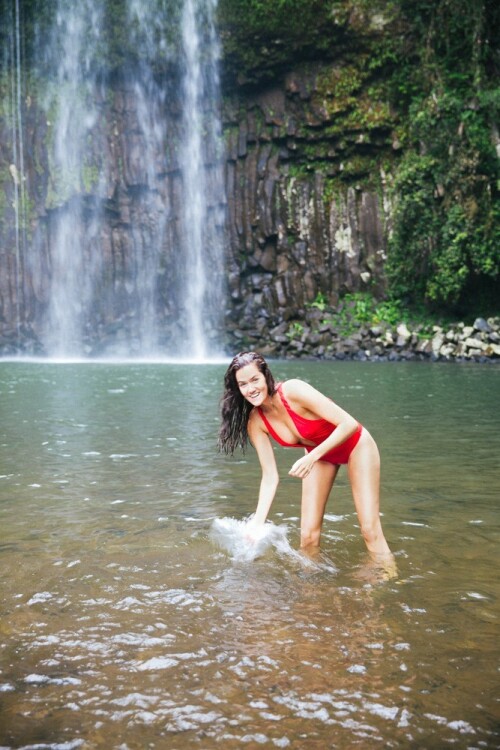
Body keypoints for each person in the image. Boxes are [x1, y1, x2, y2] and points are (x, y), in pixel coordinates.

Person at [218, 351, 394, 564]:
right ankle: (312, 591)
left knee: (369, 530)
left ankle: (388, 577)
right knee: (308, 538)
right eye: (243, 384)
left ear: (266, 376)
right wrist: (257, 521)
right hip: (320, 456)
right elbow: (270, 476)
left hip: (355, 444)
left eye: (255, 379)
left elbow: (349, 424)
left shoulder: (293, 390)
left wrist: (312, 457)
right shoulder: (256, 422)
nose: (251, 388)